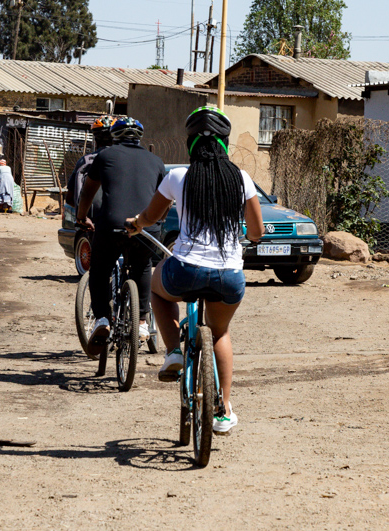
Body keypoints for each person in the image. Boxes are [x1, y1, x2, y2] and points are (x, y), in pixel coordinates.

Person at [126, 107, 264, 435]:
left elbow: (151, 217)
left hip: (185, 269)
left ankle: (174, 351)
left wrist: (136, 224)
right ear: (224, 143)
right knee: (220, 333)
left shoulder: (178, 177)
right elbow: (256, 232)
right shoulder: (242, 179)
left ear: (190, 143)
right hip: (229, 276)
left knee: (157, 288)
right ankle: (224, 409)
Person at [77, 117, 164, 353]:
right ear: (139, 138)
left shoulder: (104, 156)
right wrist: (155, 222)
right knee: (143, 266)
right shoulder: (156, 161)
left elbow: (88, 191)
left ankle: (103, 319)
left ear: (114, 136)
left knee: (100, 268)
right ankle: (143, 323)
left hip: (111, 225)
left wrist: (82, 216)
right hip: (145, 227)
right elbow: (163, 201)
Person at [69, 115, 117, 216]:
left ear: (95, 139)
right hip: (117, 220)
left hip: (89, 221)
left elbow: (70, 199)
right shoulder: (121, 160)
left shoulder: (84, 161)